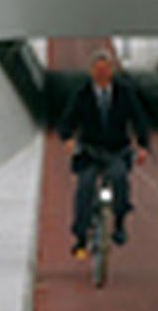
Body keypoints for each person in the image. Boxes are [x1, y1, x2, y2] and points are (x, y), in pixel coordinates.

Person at [58, 50, 150, 258]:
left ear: (112, 71)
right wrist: (68, 139)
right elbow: (67, 121)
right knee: (85, 186)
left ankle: (119, 222)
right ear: (91, 72)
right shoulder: (81, 94)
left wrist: (142, 146)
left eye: (106, 69)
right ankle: (81, 236)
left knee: (120, 179)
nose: (101, 73)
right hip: (90, 151)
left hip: (117, 149)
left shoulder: (125, 93)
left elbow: (139, 120)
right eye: (97, 70)